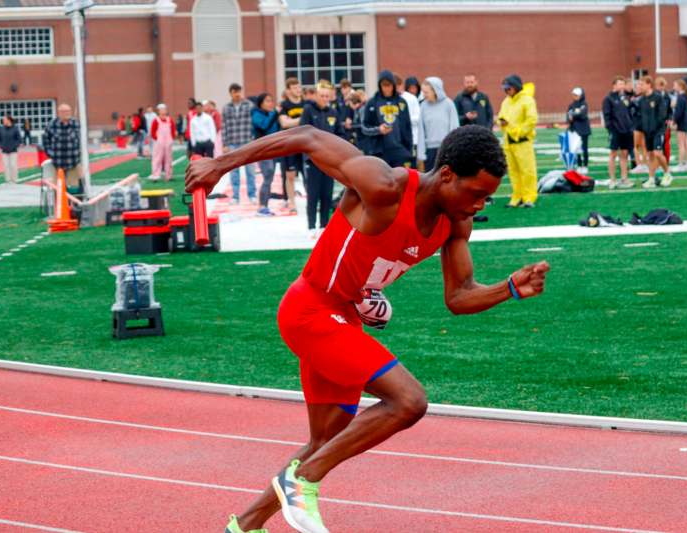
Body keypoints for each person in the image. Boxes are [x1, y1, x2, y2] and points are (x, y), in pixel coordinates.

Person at [185, 124, 550, 533]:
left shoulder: (455, 223)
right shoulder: (384, 186)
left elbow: (459, 296)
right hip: (310, 310)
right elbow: (307, 136)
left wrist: (510, 289)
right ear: (446, 175)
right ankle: (302, 479)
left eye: (487, 197)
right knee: (409, 401)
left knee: (326, 440)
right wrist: (221, 164)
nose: (479, 205)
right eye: (475, 193)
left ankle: (246, 526)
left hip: (343, 320)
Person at [300, 83, 345, 238]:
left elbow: (340, 133)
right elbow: (303, 133)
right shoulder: (308, 110)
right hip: (313, 161)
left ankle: (324, 226)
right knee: (313, 194)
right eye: (322, 96)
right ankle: (311, 227)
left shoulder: (333, 112)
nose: (325, 99)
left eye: (327, 96)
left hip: (330, 161)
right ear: (316, 96)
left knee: (327, 194)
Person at [498, 75, 538, 207]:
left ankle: (529, 198)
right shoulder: (506, 101)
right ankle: (517, 196)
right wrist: (501, 122)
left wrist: (519, 132)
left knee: (527, 171)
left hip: (523, 141)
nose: (506, 91)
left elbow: (531, 120)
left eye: (508, 88)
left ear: (515, 87)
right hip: (509, 142)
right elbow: (500, 116)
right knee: (513, 172)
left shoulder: (527, 100)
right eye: (505, 89)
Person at [362, 70, 413, 168]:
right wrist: (378, 130)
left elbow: (408, 127)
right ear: (379, 85)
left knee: (401, 180)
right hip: (379, 152)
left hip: (399, 150)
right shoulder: (372, 103)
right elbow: (364, 127)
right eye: (383, 85)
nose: (386, 88)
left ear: (393, 85)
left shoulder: (402, 102)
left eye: (388, 85)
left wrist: (409, 149)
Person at [222, 83, 258, 205]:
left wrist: (254, 140)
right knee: (234, 172)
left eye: (239, 91)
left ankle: (252, 195)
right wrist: (225, 144)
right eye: (234, 92)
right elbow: (224, 126)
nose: (237, 94)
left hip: (247, 142)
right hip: (232, 143)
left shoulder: (249, 105)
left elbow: (255, 123)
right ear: (230, 93)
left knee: (250, 171)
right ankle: (235, 196)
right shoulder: (226, 108)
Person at [417, 77, 459, 172]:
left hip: (446, 150)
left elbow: (454, 128)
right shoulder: (423, 106)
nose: (424, 95)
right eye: (423, 92)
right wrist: (421, 154)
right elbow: (421, 132)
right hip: (430, 152)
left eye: (426, 92)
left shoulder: (449, 104)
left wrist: (453, 150)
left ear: (435, 91)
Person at [638, 76, 673, 188]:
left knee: (658, 153)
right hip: (647, 132)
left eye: (642, 84)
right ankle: (651, 178)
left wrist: (657, 126)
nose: (640, 86)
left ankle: (667, 173)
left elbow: (662, 114)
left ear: (649, 84)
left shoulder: (658, 98)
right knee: (650, 155)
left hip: (658, 130)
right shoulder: (641, 100)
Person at [602, 76, 635, 189]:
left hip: (627, 131)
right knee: (613, 155)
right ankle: (612, 180)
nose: (621, 86)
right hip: (615, 131)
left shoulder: (625, 97)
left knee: (624, 155)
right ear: (614, 85)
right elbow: (607, 117)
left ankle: (624, 178)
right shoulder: (608, 99)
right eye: (619, 84)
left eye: (623, 84)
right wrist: (611, 130)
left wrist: (631, 127)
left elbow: (630, 113)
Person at [279, 77, 305, 215]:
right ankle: (292, 203)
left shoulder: (306, 104)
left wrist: (292, 121)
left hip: (305, 144)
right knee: (290, 175)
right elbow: (284, 123)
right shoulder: (284, 105)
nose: (298, 90)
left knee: (308, 175)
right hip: (290, 144)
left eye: (299, 87)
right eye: (295, 88)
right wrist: (302, 120)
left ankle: (312, 201)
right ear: (288, 90)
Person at [252, 92, 281, 216]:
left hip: (273, 149)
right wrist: (275, 113)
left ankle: (265, 206)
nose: (271, 103)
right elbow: (264, 126)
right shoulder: (256, 114)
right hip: (262, 150)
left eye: (271, 100)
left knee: (269, 178)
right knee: (268, 174)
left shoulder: (271, 114)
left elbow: (276, 130)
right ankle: (261, 206)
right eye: (267, 101)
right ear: (261, 103)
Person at [43, 103, 82, 189]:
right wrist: (51, 154)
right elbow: (46, 141)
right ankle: (58, 202)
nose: (67, 113)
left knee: (73, 187)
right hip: (57, 162)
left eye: (68, 111)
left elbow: (82, 140)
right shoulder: (51, 125)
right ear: (59, 113)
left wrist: (79, 153)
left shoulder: (76, 124)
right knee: (57, 188)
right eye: (64, 111)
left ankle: (73, 202)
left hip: (73, 162)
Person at [397, 74, 420, 167]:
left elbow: (418, 117)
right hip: (398, 141)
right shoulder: (392, 100)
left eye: (399, 85)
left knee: (411, 164)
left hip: (412, 138)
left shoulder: (411, 98)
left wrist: (406, 120)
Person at [149, 103, 176, 182]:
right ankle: (155, 175)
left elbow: (173, 130)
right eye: (161, 109)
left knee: (169, 159)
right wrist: (157, 139)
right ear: (158, 111)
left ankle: (169, 175)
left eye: (164, 109)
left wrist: (171, 139)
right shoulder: (156, 120)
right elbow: (153, 131)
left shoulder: (169, 119)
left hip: (168, 142)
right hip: (159, 142)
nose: (163, 111)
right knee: (157, 158)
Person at [566, 87, 591, 173]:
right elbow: (568, 117)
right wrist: (573, 115)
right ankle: (579, 165)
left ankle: (585, 165)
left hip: (584, 130)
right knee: (576, 149)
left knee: (584, 148)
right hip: (574, 130)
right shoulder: (571, 105)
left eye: (576, 95)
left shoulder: (584, 104)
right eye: (574, 95)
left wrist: (573, 115)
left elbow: (582, 115)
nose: (574, 97)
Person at [671, 79, 687, 171]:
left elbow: (678, 112)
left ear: (680, 86)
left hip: (682, 122)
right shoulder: (684, 96)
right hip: (686, 122)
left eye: (675, 85)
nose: (673, 87)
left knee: (681, 144)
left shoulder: (680, 97)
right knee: (686, 144)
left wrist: (674, 121)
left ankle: (681, 164)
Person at [0, 116, 22, 184]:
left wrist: (15, 146)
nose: (3, 121)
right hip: (4, 150)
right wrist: (1, 145)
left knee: (13, 165)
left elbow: (19, 139)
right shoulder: (1, 128)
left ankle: (14, 180)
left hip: (13, 151)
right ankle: (7, 180)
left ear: (9, 120)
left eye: (4, 120)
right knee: (6, 166)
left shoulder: (15, 128)